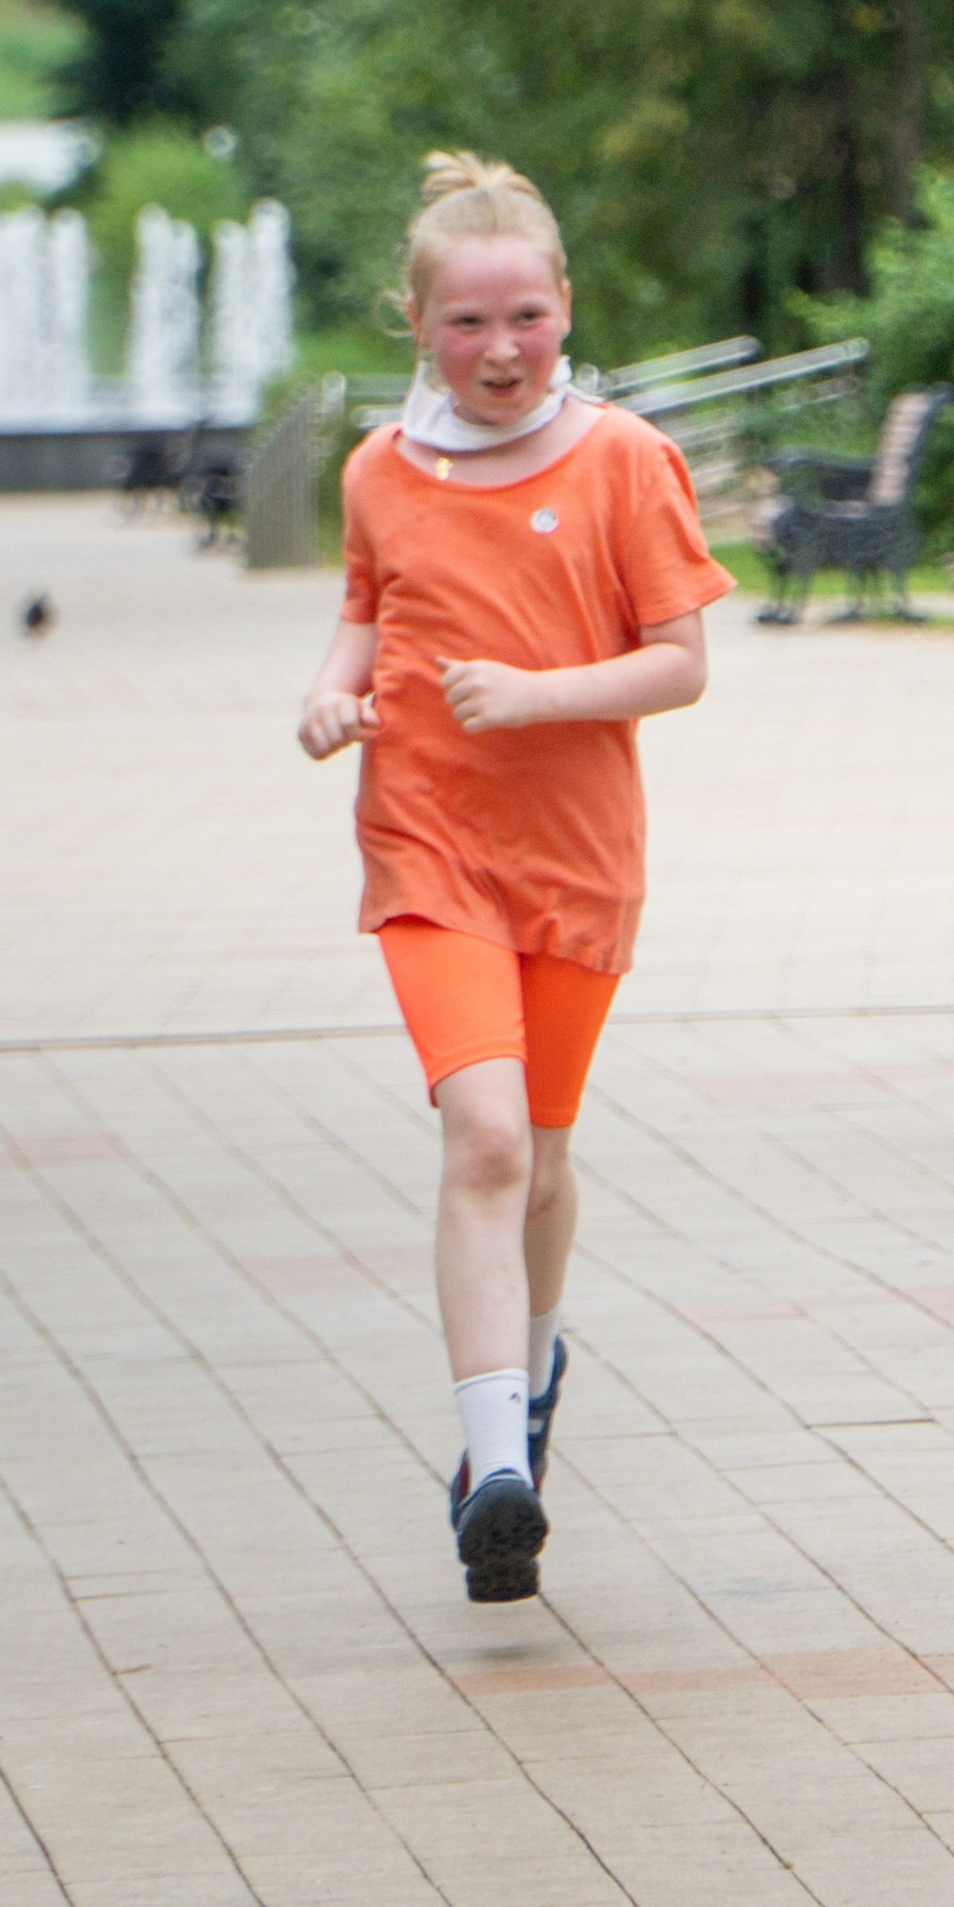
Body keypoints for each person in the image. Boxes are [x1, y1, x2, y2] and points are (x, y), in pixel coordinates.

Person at [297, 155, 732, 1604]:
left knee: (542, 1154)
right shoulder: (378, 470)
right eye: (468, 325)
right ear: (415, 323)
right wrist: (328, 698)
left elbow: (681, 664)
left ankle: (529, 1393)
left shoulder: (622, 460)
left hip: (578, 860)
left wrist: (539, 696)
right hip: (426, 840)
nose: (500, 351)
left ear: (564, 311)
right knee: (482, 1139)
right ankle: (494, 1471)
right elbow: (366, 615)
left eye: (527, 319)